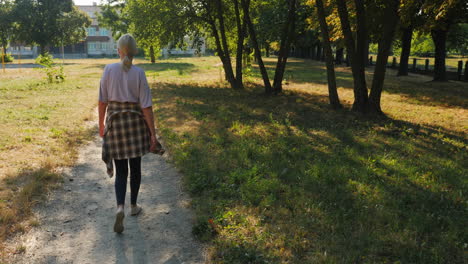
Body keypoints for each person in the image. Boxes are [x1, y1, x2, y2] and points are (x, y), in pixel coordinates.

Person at [98, 34, 163, 233]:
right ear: (134, 52)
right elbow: (146, 107)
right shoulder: (139, 73)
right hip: (135, 125)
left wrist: (101, 126)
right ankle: (134, 206)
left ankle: (120, 207)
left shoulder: (108, 69)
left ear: (119, 51)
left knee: (121, 172)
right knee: (135, 169)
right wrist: (153, 134)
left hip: (116, 126)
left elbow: (102, 101)